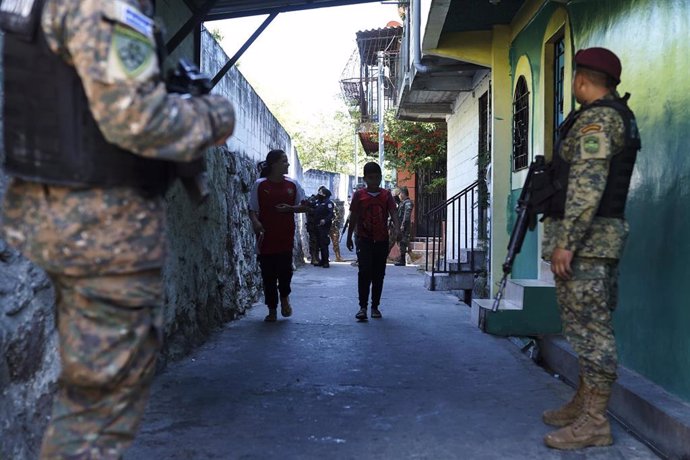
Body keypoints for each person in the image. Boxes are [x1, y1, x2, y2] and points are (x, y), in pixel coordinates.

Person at [0, 1, 236, 457]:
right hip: (101, 228)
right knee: (100, 408)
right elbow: (136, 118)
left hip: (48, 215)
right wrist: (216, 115)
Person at [540, 47, 641, 450]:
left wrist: (567, 243)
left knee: (592, 332)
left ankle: (595, 421)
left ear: (582, 79)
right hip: (597, 242)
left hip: (588, 244)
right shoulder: (614, 116)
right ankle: (584, 404)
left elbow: (587, 185)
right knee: (582, 328)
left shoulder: (598, 120)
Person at [248, 150, 307, 322]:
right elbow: (252, 209)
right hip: (265, 238)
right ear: (273, 164)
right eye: (284, 161)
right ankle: (272, 308)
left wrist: (290, 209)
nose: (288, 164)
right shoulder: (260, 184)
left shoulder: (292, 185)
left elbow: (304, 207)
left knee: (285, 273)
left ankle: (285, 297)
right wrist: (256, 222)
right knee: (268, 275)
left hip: (285, 237)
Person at [346, 163, 400, 321]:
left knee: (378, 274)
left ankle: (375, 306)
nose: (374, 181)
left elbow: (393, 213)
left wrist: (398, 229)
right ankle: (362, 307)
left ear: (381, 178)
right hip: (364, 239)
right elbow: (354, 217)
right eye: (371, 178)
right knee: (364, 272)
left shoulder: (386, 195)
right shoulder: (359, 195)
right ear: (365, 179)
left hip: (382, 240)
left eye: (377, 177)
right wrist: (349, 236)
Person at [313, 186, 335, 267]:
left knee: (324, 243)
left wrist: (325, 220)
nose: (319, 194)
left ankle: (326, 261)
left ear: (325, 195)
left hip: (324, 226)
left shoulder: (328, 203)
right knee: (319, 243)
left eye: (321, 193)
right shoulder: (318, 202)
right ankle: (322, 260)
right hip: (317, 225)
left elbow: (331, 214)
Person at [394, 186, 414, 266]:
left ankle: (402, 261)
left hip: (404, 226)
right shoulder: (403, 202)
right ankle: (401, 259)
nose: (399, 195)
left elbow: (407, 215)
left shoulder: (408, 203)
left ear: (403, 194)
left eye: (400, 194)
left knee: (403, 242)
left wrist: (402, 225)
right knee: (401, 242)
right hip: (401, 225)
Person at [305, 192, 321, 265]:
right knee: (313, 241)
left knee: (318, 242)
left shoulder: (319, 201)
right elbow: (310, 210)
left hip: (317, 225)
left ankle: (317, 257)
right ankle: (313, 258)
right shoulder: (312, 200)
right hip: (312, 225)